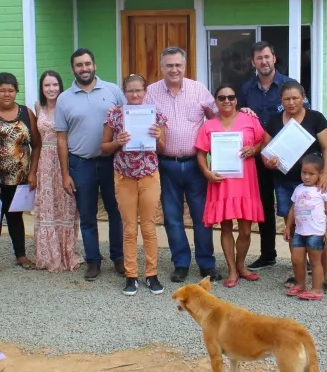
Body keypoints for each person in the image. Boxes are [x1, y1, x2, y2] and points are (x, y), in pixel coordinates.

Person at [144, 47, 221, 283]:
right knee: (172, 217)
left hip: (196, 164)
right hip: (166, 164)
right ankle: (181, 263)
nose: (174, 69)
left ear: (185, 66)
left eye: (178, 65)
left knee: (201, 216)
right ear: (162, 67)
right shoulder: (151, 92)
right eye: (169, 65)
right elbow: (139, 117)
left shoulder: (198, 89)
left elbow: (218, 115)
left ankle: (206, 263)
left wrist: (244, 114)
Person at [261, 81, 327, 293]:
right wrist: (269, 162)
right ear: (281, 101)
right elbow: (265, 151)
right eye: (286, 99)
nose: (291, 102)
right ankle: (300, 274)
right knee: (294, 228)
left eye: (295, 98)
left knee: (320, 228)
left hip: (315, 184)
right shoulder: (275, 121)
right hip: (286, 184)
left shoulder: (315, 118)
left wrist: (325, 174)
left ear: (303, 97)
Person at [57, 49, 127, 281]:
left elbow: (129, 119)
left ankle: (118, 258)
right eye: (79, 65)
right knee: (87, 216)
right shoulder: (64, 99)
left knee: (116, 212)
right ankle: (93, 261)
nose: (84, 68)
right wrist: (65, 173)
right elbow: (61, 138)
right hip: (81, 164)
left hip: (111, 163)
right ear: (73, 69)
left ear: (94, 65)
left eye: (87, 64)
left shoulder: (113, 91)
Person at [239, 41, 306, 272]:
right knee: (264, 206)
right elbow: (241, 120)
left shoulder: (289, 85)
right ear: (253, 62)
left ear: (274, 58)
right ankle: (268, 255)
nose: (263, 62)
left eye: (267, 57)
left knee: (295, 206)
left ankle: (302, 257)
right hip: (260, 157)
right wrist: (242, 112)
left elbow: (304, 117)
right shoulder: (247, 89)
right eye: (259, 58)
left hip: (291, 157)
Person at [195, 83, 267, 288]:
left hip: (246, 181)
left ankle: (241, 265)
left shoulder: (250, 119)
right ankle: (232, 270)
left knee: (245, 229)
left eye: (231, 97)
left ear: (237, 100)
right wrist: (206, 172)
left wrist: (253, 150)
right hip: (221, 181)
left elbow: (264, 142)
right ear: (216, 101)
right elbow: (200, 152)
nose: (227, 101)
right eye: (222, 97)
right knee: (226, 227)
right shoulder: (208, 125)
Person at [101, 74, 168, 296]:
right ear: (125, 92)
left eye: (139, 90)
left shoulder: (154, 113)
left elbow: (162, 148)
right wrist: (116, 142)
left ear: (145, 91)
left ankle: (151, 274)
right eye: (130, 91)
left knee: (148, 227)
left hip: (149, 174)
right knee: (129, 228)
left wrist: (158, 137)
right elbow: (104, 147)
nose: (135, 94)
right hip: (124, 176)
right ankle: (131, 276)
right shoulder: (115, 114)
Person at [0, 72, 41, 274]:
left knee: (16, 216)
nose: (6, 94)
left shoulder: (26, 113)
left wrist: (33, 172)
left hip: (21, 178)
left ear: (16, 91)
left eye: (10, 90)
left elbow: (37, 145)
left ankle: (20, 254)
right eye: (2, 90)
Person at [32, 71, 84, 272]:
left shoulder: (68, 105)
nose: (51, 89)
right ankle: (49, 254)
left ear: (60, 86)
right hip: (46, 161)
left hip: (65, 158)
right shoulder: (38, 107)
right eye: (47, 85)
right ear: (42, 88)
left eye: (55, 85)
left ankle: (67, 252)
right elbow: (37, 141)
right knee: (47, 206)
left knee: (66, 205)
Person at [282, 155, 327, 301]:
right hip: (299, 232)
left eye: (311, 174)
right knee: (296, 260)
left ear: (320, 173)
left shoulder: (323, 190)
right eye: (303, 172)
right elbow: (293, 209)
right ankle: (300, 284)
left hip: (316, 233)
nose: (306, 177)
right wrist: (288, 227)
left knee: (315, 261)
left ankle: (317, 290)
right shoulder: (298, 189)